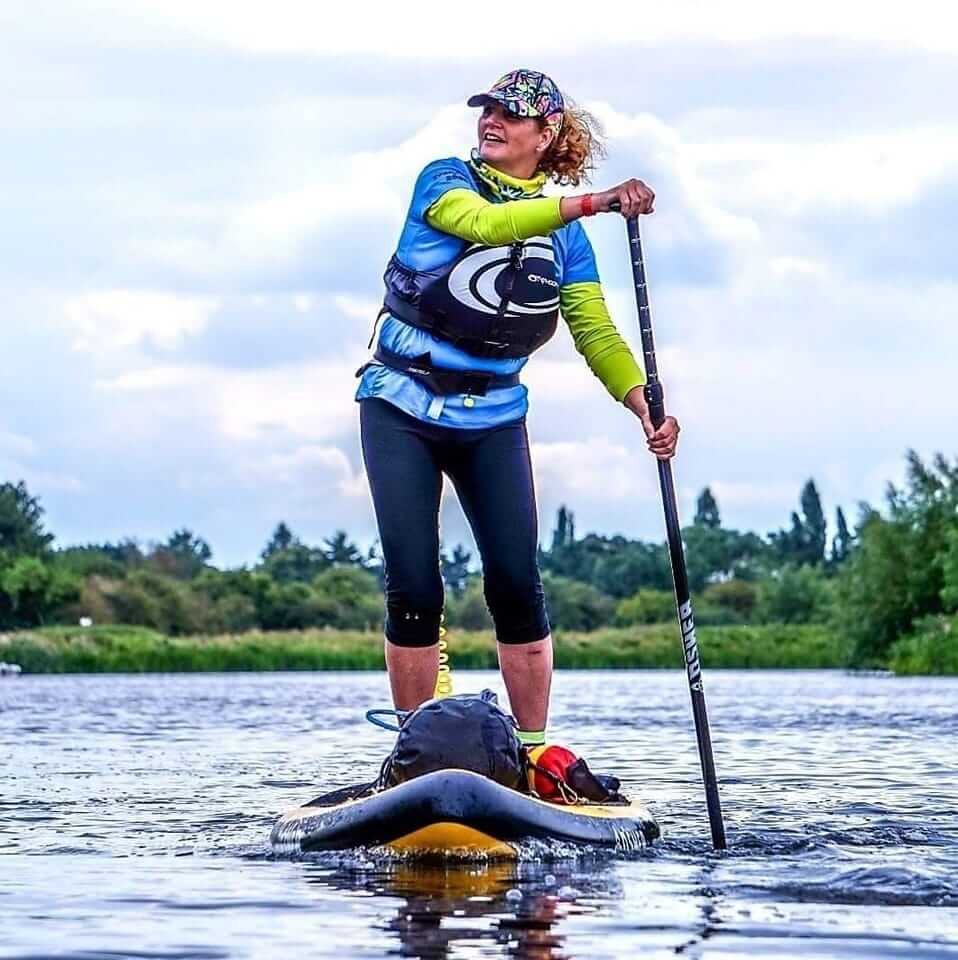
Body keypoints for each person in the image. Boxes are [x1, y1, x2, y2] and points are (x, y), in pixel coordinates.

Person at [356, 68, 680, 750]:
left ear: (546, 133)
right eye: (488, 108)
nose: (491, 119)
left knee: (516, 584)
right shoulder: (443, 180)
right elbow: (486, 223)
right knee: (414, 585)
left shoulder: (566, 239)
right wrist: (591, 202)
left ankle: (532, 751)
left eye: (510, 113)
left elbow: (593, 330)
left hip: (494, 419)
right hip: (400, 405)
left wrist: (642, 404)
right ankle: (417, 746)